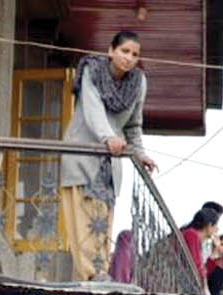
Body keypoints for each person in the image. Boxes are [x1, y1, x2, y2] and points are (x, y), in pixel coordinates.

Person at [59, 30, 155, 281]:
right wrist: (108, 137)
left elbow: (133, 125)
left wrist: (141, 154)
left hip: (110, 164)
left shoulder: (138, 83)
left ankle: (100, 272)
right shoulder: (93, 70)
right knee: (83, 219)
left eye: (135, 54)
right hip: (82, 154)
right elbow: (93, 109)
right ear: (111, 51)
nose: (129, 58)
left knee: (102, 220)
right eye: (124, 51)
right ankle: (91, 275)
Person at [179, 206, 220, 285]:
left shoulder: (196, 239)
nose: (216, 229)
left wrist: (214, 251)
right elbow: (196, 266)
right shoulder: (191, 235)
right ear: (209, 225)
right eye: (216, 226)